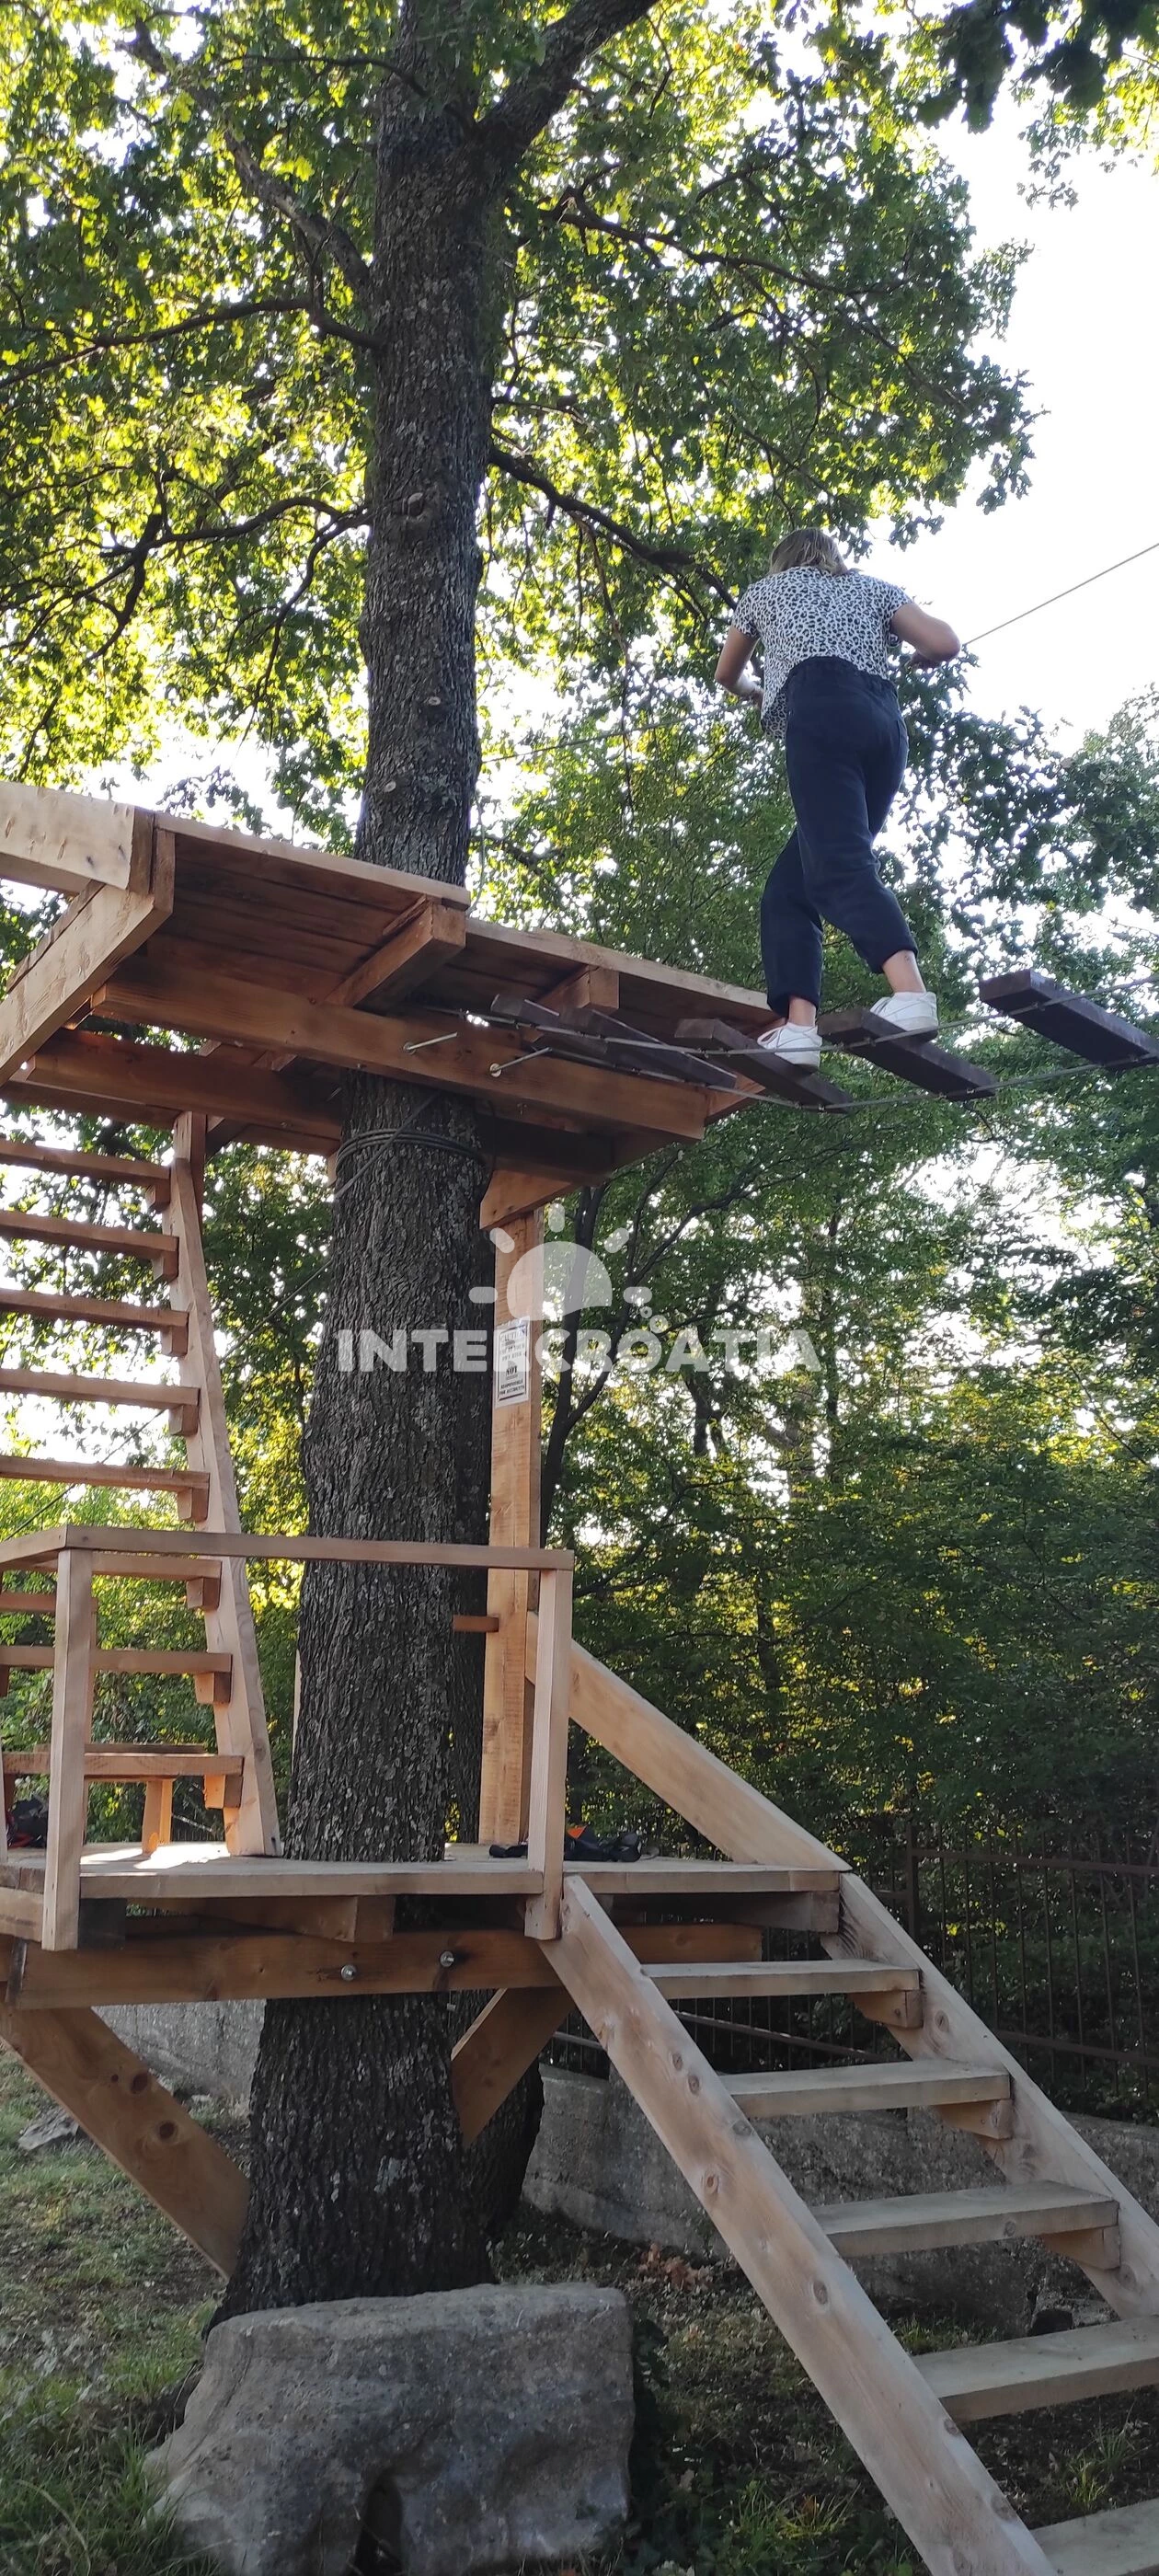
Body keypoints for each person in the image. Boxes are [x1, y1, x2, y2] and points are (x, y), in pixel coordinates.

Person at [714, 528, 959, 1067]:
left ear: (782, 562)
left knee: (839, 866)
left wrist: (756, 692)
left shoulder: (765, 591)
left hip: (822, 710)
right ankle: (798, 1030)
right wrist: (923, 660)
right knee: (791, 889)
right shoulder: (874, 588)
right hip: (884, 728)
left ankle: (911, 994)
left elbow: (726, 673)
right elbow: (943, 643)